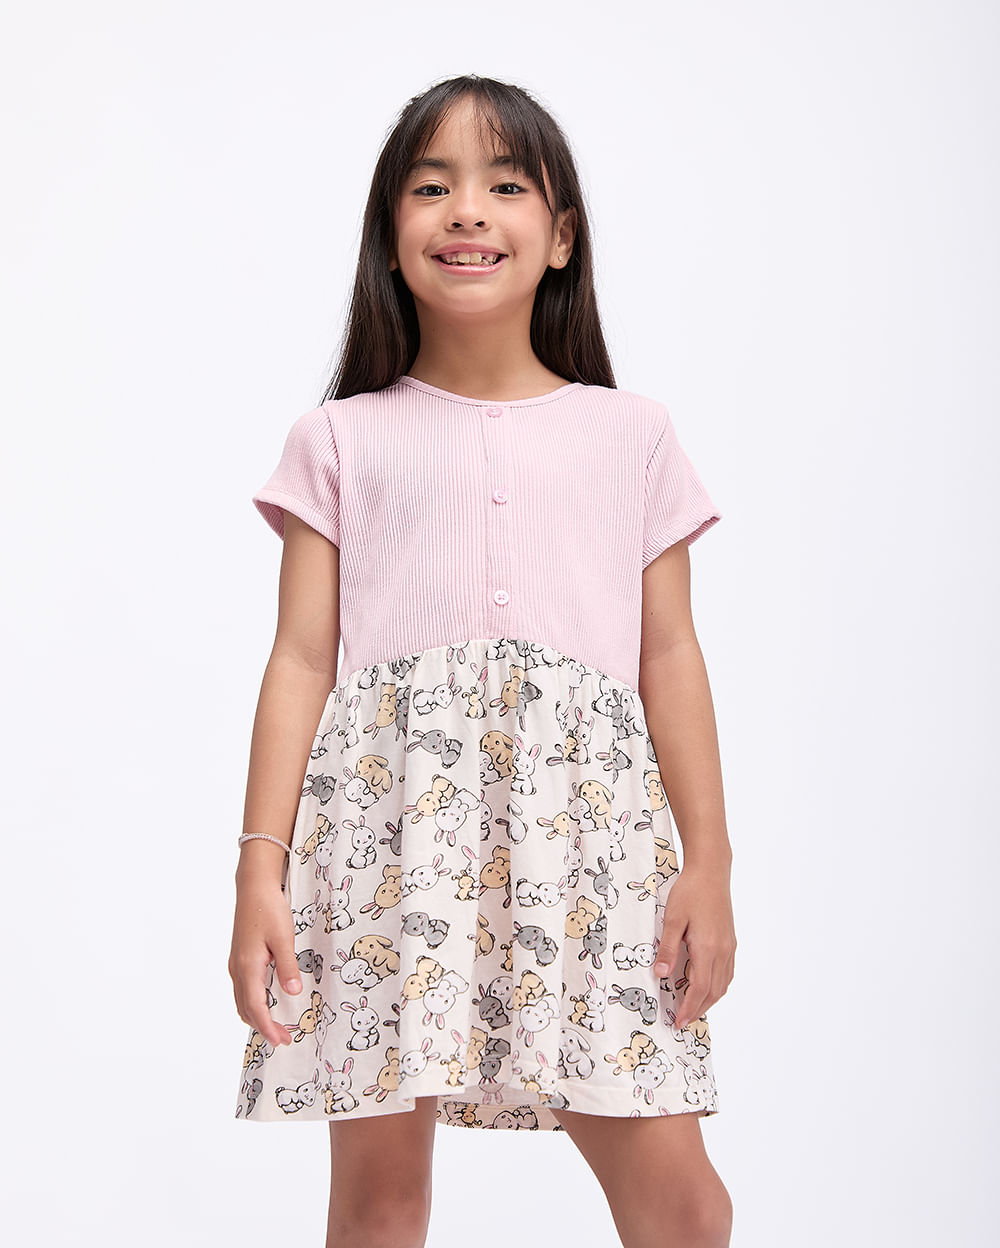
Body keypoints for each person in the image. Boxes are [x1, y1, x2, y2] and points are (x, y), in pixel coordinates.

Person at [229, 73, 736, 1248]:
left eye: (505, 186)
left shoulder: (632, 434)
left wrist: (708, 862)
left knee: (683, 1205)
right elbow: (298, 661)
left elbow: (670, 654)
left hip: (590, 850)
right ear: (389, 234)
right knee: (380, 1201)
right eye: (431, 187)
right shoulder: (339, 439)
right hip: (388, 844)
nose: (466, 210)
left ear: (560, 237)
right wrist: (260, 870)